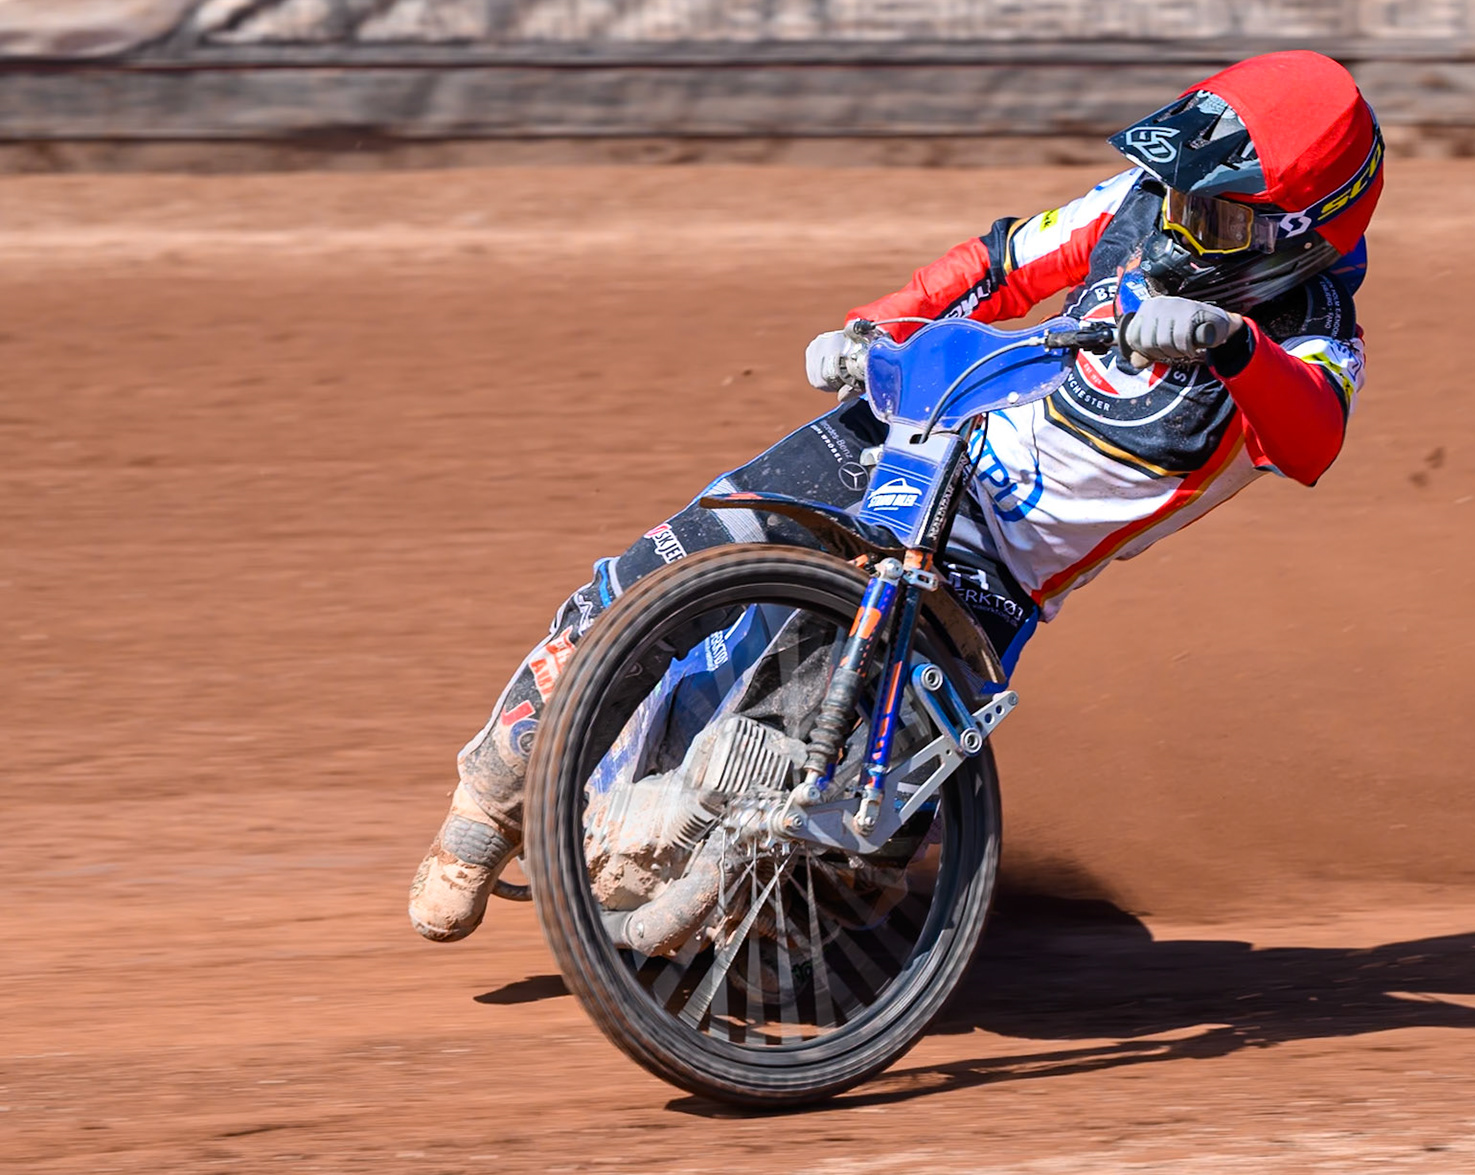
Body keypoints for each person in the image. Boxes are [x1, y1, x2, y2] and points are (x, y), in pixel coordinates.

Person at [409, 48, 1384, 943]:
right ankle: (489, 797)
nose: (1173, 219)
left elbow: (1312, 437)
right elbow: (1003, 264)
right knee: (669, 563)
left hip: (997, 564)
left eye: (1209, 213)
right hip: (909, 428)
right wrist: (876, 325)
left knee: (816, 812)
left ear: (1298, 235)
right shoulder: (1137, 203)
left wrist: (1232, 345)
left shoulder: (1317, 337)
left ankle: (735, 893)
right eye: (1172, 191)